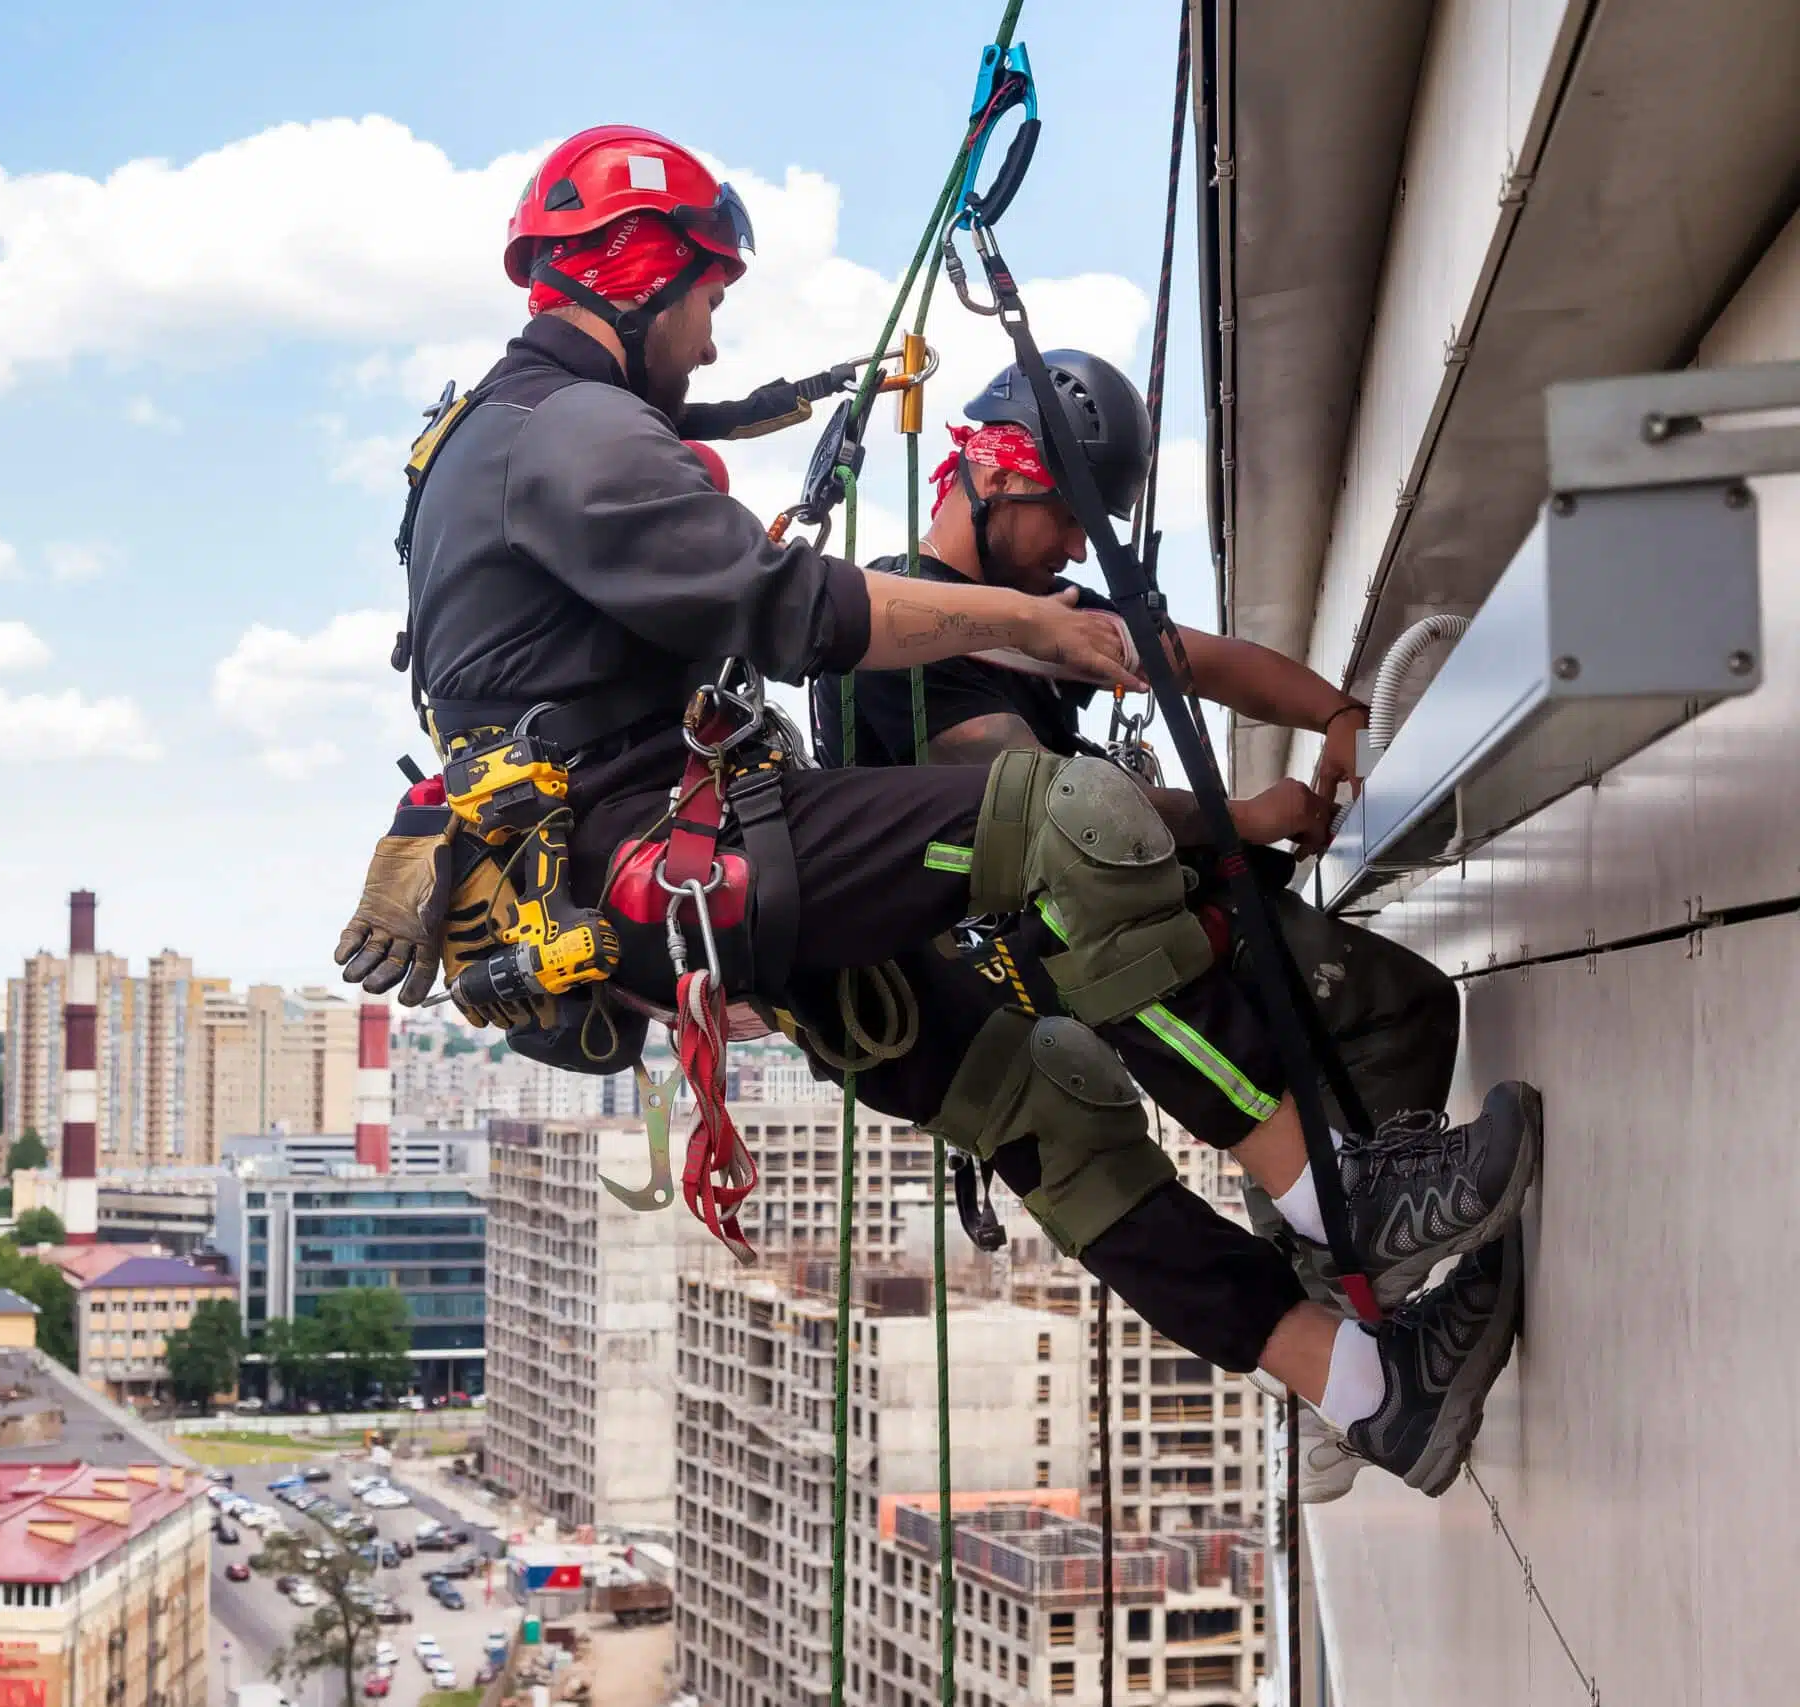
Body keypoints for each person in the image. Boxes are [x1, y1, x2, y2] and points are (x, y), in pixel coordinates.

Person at [342, 123, 1529, 1496]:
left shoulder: (494, 445)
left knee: (1054, 1107)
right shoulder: (572, 433)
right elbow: (789, 612)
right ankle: (1345, 1192)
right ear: (638, 267)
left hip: (662, 888)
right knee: (1065, 818)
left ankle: (1380, 1391)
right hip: (669, 859)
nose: (713, 347)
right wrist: (1035, 622)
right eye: (710, 300)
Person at [809, 352, 1498, 1310]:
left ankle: (1338, 1273)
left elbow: (1204, 663)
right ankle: (1357, 1253)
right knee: (1401, 1005)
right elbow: (1040, 801)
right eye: (1069, 518)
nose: (1080, 553)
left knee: (1336, 1045)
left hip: (1086, 927)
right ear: (1000, 476)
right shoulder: (907, 641)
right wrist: (1242, 819)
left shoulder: (1035, 614)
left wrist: (1337, 712)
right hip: (1035, 953)